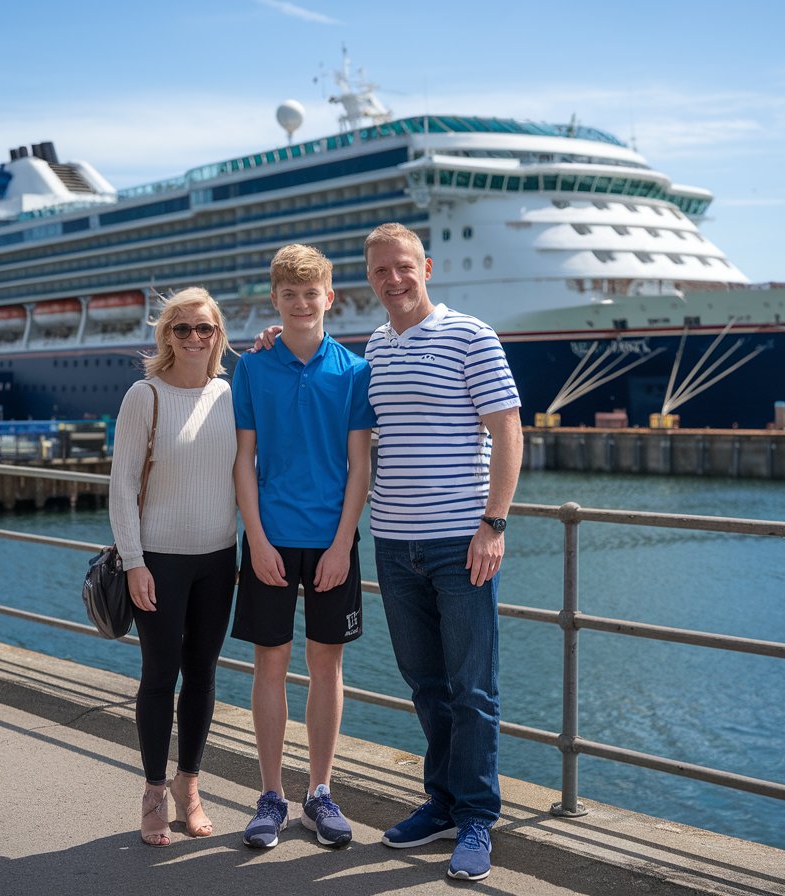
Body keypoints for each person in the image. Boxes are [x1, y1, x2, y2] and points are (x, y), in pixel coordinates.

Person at [365, 223, 523, 882]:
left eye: (404, 267)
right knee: (426, 685)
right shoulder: (374, 345)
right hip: (393, 543)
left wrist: (494, 524)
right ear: (369, 279)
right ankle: (441, 803)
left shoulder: (471, 335)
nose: (394, 280)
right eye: (381, 272)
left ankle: (478, 816)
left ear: (425, 266)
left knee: (473, 689)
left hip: (460, 543)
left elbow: (508, 431)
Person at [231, 243, 375, 849]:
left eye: (309, 293)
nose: (299, 303)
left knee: (326, 665)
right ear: (275, 300)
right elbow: (243, 462)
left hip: (331, 541)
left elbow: (359, 465)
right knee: (269, 663)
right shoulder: (252, 367)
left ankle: (320, 792)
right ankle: (271, 795)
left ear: (329, 298)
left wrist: (343, 543)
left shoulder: (354, 370)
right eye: (288, 294)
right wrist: (257, 539)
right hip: (269, 539)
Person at [108, 287, 238, 847]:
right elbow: (122, 484)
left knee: (204, 674)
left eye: (203, 329)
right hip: (158, 559)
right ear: (166, 336)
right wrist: (134, 562)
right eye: (181, 329)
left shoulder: (231, 394)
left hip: (218, 557)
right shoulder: (145, 395)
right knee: (160, 676)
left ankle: (191, 786)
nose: (193, 338)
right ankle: (154, 791)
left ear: (218, 335)